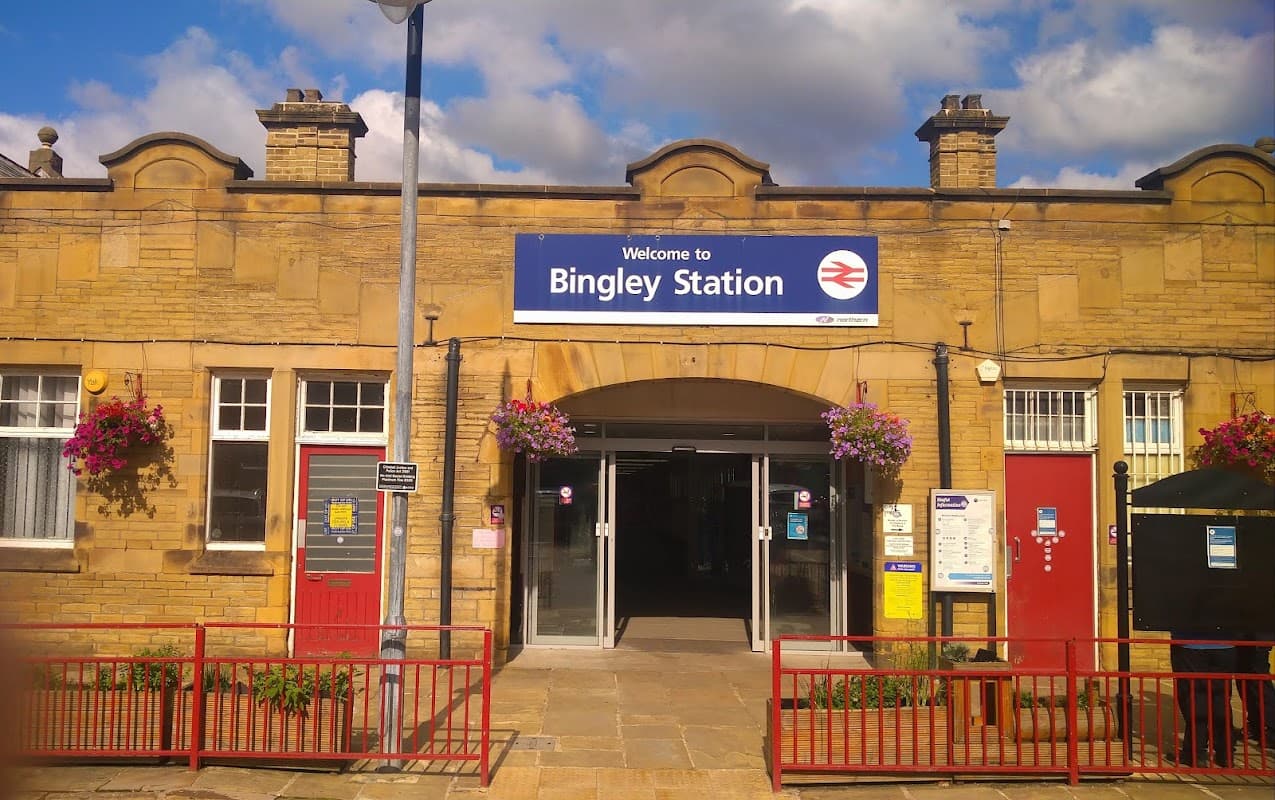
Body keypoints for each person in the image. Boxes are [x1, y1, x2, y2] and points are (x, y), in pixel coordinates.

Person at [1170, 629, 1235, 767]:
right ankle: (1226, 754)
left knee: (1194, 698)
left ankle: (1196, 753)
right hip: (1225, 645)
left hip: (1190, 644)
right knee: (1220, 699)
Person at [1235, 632, 1275, 747]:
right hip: (1245, 639)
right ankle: (1256, 725)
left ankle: (1272, 729)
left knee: (1260, 685)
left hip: (1256, 640)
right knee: (1244, 683)